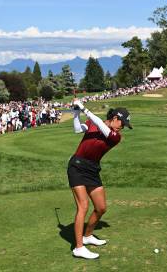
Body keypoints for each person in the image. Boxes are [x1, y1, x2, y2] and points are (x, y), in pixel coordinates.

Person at [68, 99, 132, 260]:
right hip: (76, 166)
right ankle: (79, 248)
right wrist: (76, 113)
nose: (121, 127)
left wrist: (84, 109)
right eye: (121, 123)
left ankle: (87, 236)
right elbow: (77, 129)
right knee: (83, 206)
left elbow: (101, 126)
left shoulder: (115, 136)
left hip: (92, 170)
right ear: (115, 118)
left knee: (101, 207)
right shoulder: (94, 123)